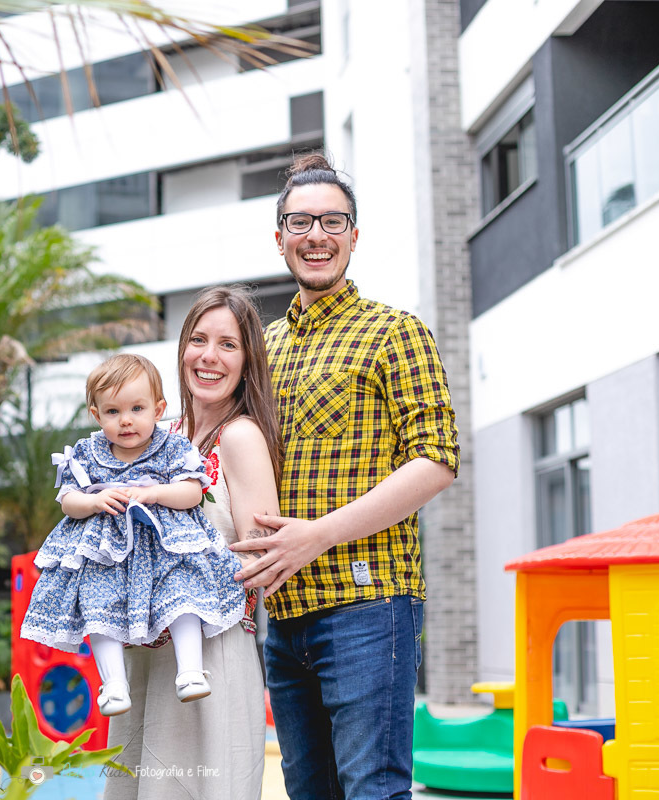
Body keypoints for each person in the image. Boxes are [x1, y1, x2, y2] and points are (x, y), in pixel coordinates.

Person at [231, 151, 460, 800]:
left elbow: (436, 459)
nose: (317, 236)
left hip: (369, 606)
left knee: (372, 791)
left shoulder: (396, 332)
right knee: (309, 792)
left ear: (355, 236)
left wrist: (319, 535)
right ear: (279, 238)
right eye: (300, 222)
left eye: (333, 221)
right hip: (286, 613)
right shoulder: (262, 349)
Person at [105, 286, 283, 800]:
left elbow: (261, 556)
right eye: (199, 339)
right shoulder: (162, 434)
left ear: (248, 361)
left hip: (210, 651)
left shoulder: (240, 436)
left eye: (228, 345)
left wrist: (180, 570)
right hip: (147, 648)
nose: (209, 356)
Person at [20, 353, 244, 717]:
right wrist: (94, 500)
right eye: (112, 412)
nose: (126, 421)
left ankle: (189, 671)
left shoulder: (171, 447)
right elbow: (67, 501)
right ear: (96, 415)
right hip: (106, 556)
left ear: (159, 409)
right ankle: (113, 685)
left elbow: (192, 492)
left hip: (167, 551)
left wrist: (154, 493)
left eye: (137, 408)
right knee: (97, 607)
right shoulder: (87, 452)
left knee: (183, 594)